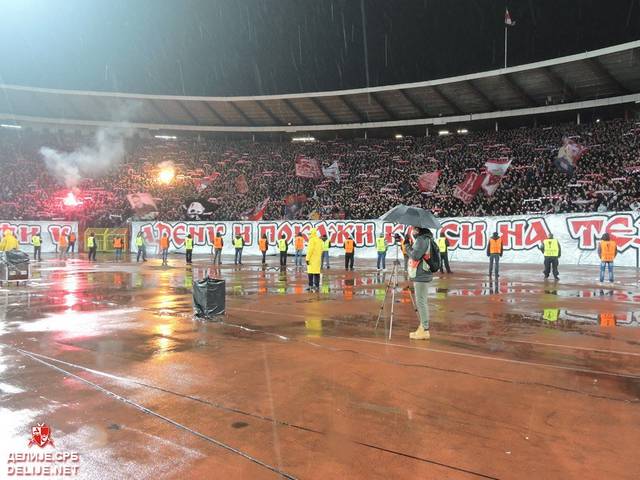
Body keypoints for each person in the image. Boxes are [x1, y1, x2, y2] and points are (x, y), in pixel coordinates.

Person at [408, 227, 433, 340]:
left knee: (421, 302)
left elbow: (415, 255)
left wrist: (406, 246)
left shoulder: (422, 240)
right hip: (422, 273)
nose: (412, 231)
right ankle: (422, 327)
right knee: (421, 301)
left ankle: (424, 329)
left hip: (421, 274)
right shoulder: (425, 239)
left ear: (418, 230)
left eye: (414, 229)